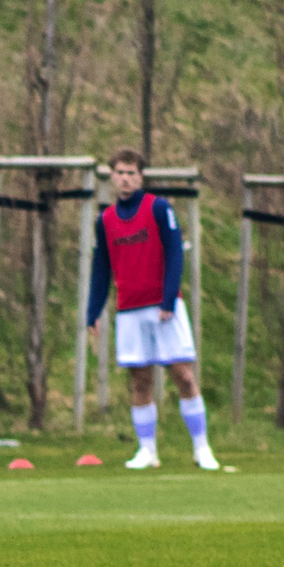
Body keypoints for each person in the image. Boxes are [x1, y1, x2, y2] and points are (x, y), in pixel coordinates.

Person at [85, 148, 218, 472]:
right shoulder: (105, 220)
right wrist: (93, 311)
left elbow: (174, 252)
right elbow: (101, 268)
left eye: (131, 173)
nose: (125, 179)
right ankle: (147, 450)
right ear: (112, 176)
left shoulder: (158, 208)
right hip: (129, 310)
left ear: (140, 176)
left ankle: (202, 448)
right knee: (140, 381)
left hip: (163, 308)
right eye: (120, 172)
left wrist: (168, 299)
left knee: (183, 376)